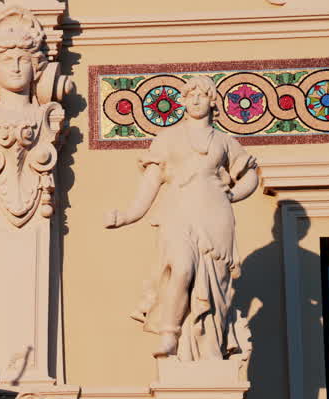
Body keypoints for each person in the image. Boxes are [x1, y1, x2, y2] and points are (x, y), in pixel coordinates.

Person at [105, 75, 259, 360]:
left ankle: (209, 344)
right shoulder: (168, 139)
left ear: (213, 101)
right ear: (183, 101)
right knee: (182, 268)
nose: (196, 100)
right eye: (190, 95)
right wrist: (127, 216)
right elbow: (151, 182)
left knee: (215, 285)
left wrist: (233, 196)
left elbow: (250, 174)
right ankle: (169, 333)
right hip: (177, 212)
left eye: (202, 95)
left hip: (216, 217)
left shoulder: (225, 141)